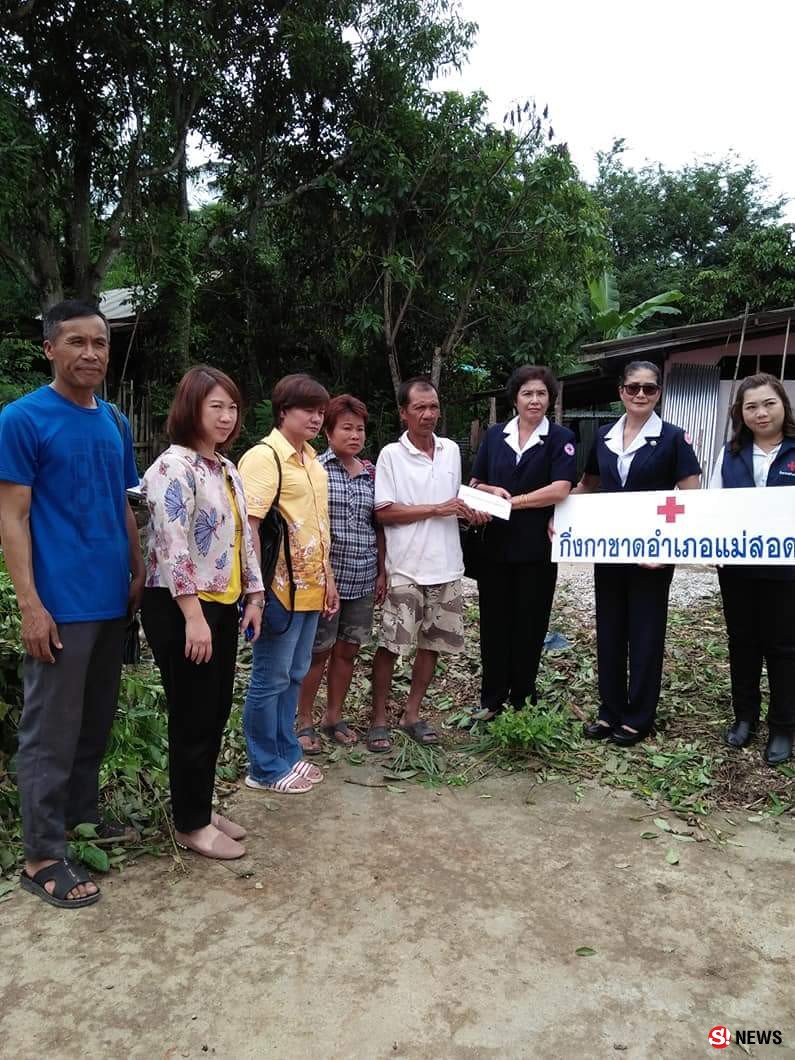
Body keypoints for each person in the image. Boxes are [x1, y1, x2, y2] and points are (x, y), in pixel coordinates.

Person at [0, 300, 144, 908]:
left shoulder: (112, 420)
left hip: (112, 599)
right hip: (60, 604)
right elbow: (13, 515)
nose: (91, 353)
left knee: (93, 724)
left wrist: (138, 570)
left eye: (101, 344)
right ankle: (41, 854)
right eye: (77, 343)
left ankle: (81, 822)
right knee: (49, 733)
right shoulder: (22, 418)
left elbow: (123, 503)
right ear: (50, 349)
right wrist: (30, 603)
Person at [140, 367, 265, 860]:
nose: (226, 416)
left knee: (213, 713)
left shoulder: (226, 468)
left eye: (232, 407)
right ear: (191, 408)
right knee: (192, 714)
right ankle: (190, 824)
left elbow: (242, 540)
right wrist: (192, 616)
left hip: (222, 603)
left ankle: (199, 803)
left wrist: (254, 597)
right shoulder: (173, 468)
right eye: (215, 406)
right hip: (180, 607)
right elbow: (171, 547)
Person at [575, 360, 701, 746]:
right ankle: (609, 711)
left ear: (659, 393)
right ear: (621, 392)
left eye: (649, 388)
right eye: (633, 388)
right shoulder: (602, 436)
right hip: (610, 550)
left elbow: (691, 497)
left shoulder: (674, 439)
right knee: (610, 631)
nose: (640, 395)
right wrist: (558, 520)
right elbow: (588, 485)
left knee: (645, 633)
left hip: (653, 554)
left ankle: (639, 716)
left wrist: (667, 547)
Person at [369, 377, 485, 750]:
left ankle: (412, 714)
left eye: (433, 406)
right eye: (419, 407)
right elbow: (384, 512)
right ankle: (379, 719)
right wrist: (437, 508)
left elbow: (455, 500)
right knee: (390, 645)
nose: (428, 414)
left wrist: (471, 512)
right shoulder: (390, 455)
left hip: (448, 566)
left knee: (432, 645)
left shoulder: (451, 449)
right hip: (406, 567)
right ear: (404, 413)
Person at [239, 374, 339, 793]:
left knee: (296, 673)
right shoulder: (265, 458)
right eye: (308, 410)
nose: (316, 418)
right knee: (270, 677)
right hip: (278, 590)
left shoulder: (313, 461)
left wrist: (329, 578)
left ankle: (286, 754)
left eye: (321, 411)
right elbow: (250, 529)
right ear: (284, 412)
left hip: (311, 588)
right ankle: (263, 766)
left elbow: (317, 526)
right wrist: (255, 595)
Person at [469, 365, 577, 721]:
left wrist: (513, 502)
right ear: (515, 398)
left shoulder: (560, 437)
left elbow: (562, 488)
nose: (534, 400)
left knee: (530, 624)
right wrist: (489, 491)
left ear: (550, 398)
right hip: (495, 547)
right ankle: (492, 699)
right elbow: (475, 480)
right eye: (527, 393)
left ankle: (523, 699)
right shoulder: (495, 435)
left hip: (537, 548)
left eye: (541, 393)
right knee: (494, 624)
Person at [709, 373, 795, 766]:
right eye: (751, 406)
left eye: (768, 404)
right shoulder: (729, 454)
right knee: (742, 643)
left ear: (783, 406)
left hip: (786, 573)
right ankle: (745, 716)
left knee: (783, 647)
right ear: (740, 414)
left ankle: (782, 726)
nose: (761, 413)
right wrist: (710, 541)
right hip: (739, 569)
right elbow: (712, 507)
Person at [295, 394, 386, 753]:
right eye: (346, 428)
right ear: (328, 432)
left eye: (360, 429)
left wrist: (381, 571)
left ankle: (333, 717)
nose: (354, 435)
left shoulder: (371, 473)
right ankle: (304, 721)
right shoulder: (315, 469)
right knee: (318, 652)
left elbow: (377, 525)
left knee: (347, 650)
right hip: (324, 579)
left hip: (363, 576)